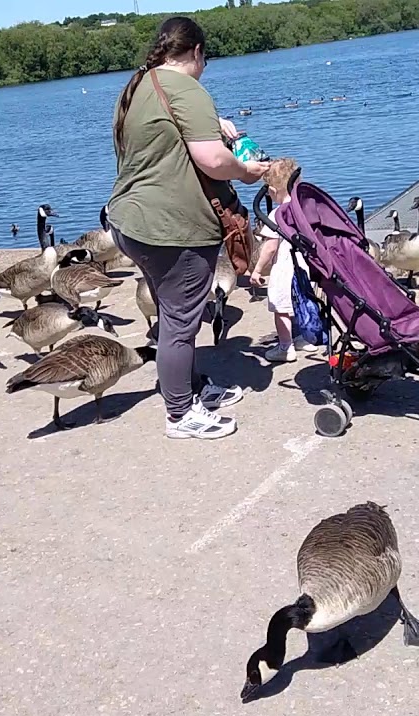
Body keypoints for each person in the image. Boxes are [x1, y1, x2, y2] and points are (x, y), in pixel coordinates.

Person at [107, 16, 270, 441]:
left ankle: (190, 387)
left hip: (128, 221)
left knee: (171, 313)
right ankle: (180, 414)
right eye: (205, 58)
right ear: (196, 52)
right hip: (170, 229)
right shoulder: (188, 88)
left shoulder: (139, 85)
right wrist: (247, 171)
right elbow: (214, 162)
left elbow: (163, 142)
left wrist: (214, 129)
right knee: (182, 322)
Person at [250, 158, 319, 363]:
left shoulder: (276, 214)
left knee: (281, 309)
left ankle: (285, 347)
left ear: (271, 190)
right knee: (302, 302)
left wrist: (258, 270)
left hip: (285, 268)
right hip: (306, 266)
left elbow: (270, 247)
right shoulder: (305, 209)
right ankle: (306, 338)